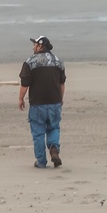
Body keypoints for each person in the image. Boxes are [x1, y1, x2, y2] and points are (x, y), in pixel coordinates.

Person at [18, 35, 66, 168]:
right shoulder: (58, 61)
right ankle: (54, 149)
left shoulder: (30, 62)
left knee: (38, 133)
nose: (33, 46)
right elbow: (62, 84)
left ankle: (41, 162)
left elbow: (25, 84)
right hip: (55, 102)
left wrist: (21, 98)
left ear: (40, 46)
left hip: (37, 104)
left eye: (34, 44)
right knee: (54, 127)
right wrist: (61, 99)